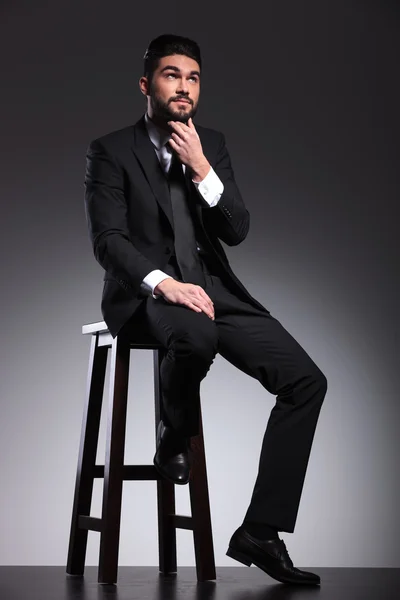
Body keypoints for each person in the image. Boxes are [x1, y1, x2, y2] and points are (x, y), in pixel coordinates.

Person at [84, 33, 327, 586]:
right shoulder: (111, 149)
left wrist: (202, 169)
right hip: (151, 293)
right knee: (196, 339)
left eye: (193, 78)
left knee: (307, 382)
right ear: (147, 85)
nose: (184, 87)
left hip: (214, 287)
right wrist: (162, 283)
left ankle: (261, 531)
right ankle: (173, 434)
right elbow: (108, 239)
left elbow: (236, 230)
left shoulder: (209, 143)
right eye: (172, 75)